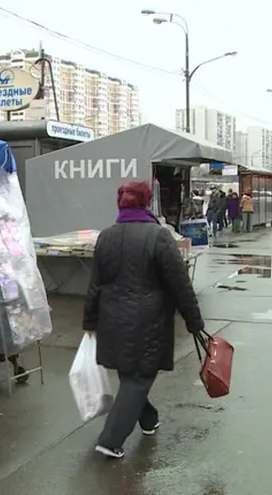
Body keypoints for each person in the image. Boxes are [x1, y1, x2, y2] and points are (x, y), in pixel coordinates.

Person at [83, 180, 205, 460]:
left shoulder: (107, 236)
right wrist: (194, 321)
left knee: (131, 375)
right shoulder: (159, 236)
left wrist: (90, 321)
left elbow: (95, 284)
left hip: (112, 320)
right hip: (147, 323)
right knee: (139, 378)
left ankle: (148, 419)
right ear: (146, 202)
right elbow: (179, 283)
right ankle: (110, 440)